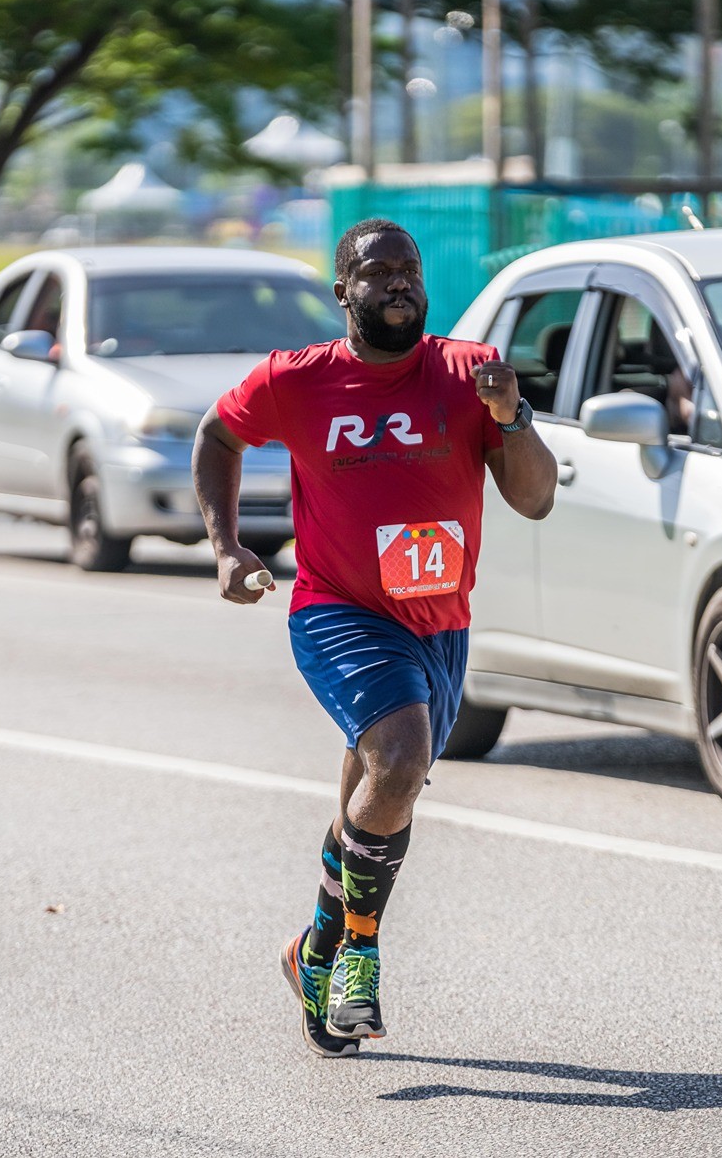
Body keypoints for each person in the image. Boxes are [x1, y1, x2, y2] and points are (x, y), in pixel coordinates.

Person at [191, 218, 558, 1057]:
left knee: (380, 792)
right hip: (338, 608)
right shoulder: (297, 379)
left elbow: (534, 499)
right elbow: (217, 433)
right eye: (377, 270)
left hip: (440, 623)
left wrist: (513, 417)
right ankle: (358, 950)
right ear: (342, 291)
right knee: (398, 759)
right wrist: (226, 545)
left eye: (409, 268)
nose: (398, 281)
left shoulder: (469, 373)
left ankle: (310, 950)